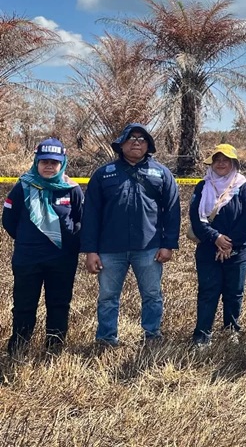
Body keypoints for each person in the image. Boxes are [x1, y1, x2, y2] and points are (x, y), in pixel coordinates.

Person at [81, 124, 180, 346]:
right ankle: (106, 338)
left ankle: (152, 335)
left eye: (142, 139)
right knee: (107, 297)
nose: (137, 142)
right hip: (110, 248)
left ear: (148, 145)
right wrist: (90, 250)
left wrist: (168, 244)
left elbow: (172, 211)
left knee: (152, 295)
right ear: (121, 143)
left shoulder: (162, 174)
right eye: (131, 138)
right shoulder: (103, 175)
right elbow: (90, 215)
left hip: (149, 248)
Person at [2, 138, 84, 353]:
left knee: (58, 305)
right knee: (24, 306)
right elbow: (9, 220)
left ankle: (53, 349)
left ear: (62, 163)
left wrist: (69, 243)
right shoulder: (22, 187)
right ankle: (18, 348)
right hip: (27, 258)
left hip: (62, 259)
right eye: (44, 161)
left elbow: (81, 221)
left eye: (54, 162)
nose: (49, 166)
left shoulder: (72, 189)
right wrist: (27, 239)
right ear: (36, 162)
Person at [188, 144, 246, 346]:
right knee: (208, 291)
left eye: (226, 160)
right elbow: (195, 218)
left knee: (234, 293)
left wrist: (228, 244)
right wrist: (216, 238)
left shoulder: (245, 186)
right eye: (217, 159)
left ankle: (231, 331)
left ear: (234, 163)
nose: (221, 163)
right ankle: (202, 335)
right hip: (209, 249)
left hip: (238, 251)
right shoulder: (202, 186)